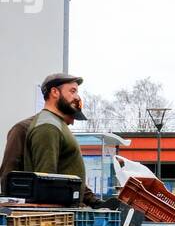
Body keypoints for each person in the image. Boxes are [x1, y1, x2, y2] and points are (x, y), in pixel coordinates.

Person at [2, 73, 116, 207]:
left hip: (66, 214)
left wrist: (93, 202)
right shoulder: (46, 127)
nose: (77, 97)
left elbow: (68, 174)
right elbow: (46, 182)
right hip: (56, 218)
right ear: (54, 92)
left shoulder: (56, 125)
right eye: (72, 91)